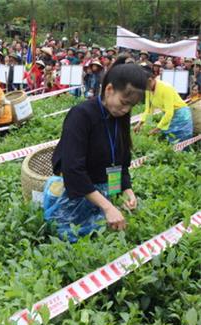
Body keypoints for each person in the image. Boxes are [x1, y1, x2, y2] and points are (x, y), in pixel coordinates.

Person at [44, 57, 148, 243]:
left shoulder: (119, 117)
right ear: (109, 90)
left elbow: (121, 161)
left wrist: (126, 189)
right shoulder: (81, 115)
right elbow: (73, 169)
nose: (126, 109)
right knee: (70, 237)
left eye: (131, 106)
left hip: (105, 192)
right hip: (77, 194)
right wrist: (107, 207)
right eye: (124, 102)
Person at [133, 66, 193, 143]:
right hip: (169, 116)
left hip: (181, 115)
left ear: (150, 80)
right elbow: (148, 110)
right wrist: (140, 123)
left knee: (181, 141)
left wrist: (157, 129)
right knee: (169, 140)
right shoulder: (148, 90)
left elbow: (169, 112)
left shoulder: (166, 88)